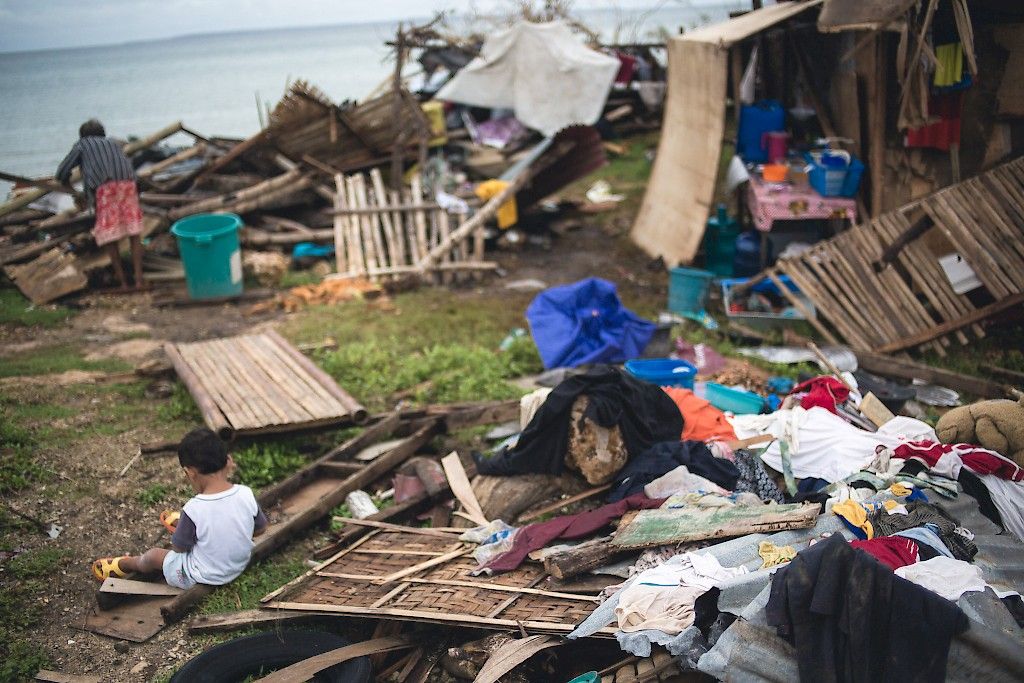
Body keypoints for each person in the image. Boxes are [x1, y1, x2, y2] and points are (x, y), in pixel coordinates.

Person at [91, 428, 267, 589]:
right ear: (228, 461)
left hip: (202, 575)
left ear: (190, 473)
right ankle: (195, 531)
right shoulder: (245, 493)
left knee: (153, 556)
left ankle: (127, 564)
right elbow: (260, 529)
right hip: (239, 564)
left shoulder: (194, 509)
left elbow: (179, 549)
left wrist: (185, 538)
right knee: (205, 529)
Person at [55, 119, 145, 290]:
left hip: (106, 189)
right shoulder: (114, 142)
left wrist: (70, 187)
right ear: (102, 132)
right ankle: (139, 280)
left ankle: (123, 282)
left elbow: (61, 172)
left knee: (111, 236)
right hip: (128, 186)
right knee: (134, 232)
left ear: (83, 135)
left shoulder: (82, 144)